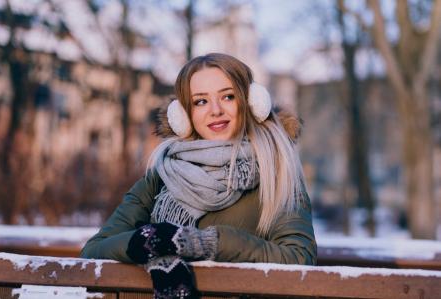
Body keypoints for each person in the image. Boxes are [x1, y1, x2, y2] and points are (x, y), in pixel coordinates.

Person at [80, 53, 317, 298]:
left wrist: (208, 243)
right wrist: (150, 243)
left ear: (251, 103)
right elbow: (94, 251)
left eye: (228, 96)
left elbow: (299, 258)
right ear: (184, 115)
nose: (215, 110)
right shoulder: (162, 175)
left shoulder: (276, 172)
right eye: (200, 102)